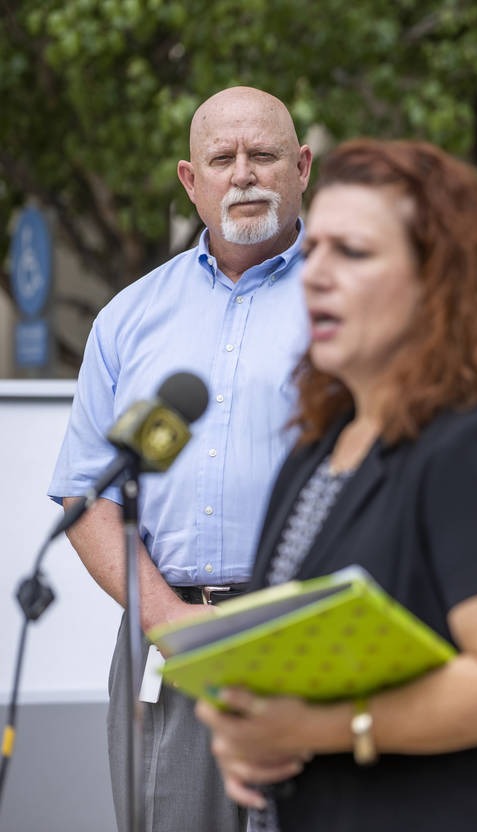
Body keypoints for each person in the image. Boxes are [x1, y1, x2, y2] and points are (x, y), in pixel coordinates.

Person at [194, 138, 477, 831]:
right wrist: (242, 731)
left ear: (436, 283)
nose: (315, 276)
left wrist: (321, 726)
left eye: (351, 253)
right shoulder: (320, 446)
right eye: (314, 250)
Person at [47, 86, 313, 832]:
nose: (244, 174)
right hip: (167, 648)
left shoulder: (356, 302)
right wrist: (172, 621)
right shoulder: (129, 317)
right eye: (220, 159)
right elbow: (85, 493)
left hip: (317, 643)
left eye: (262, 155)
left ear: (302, 167)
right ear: (189, 182)